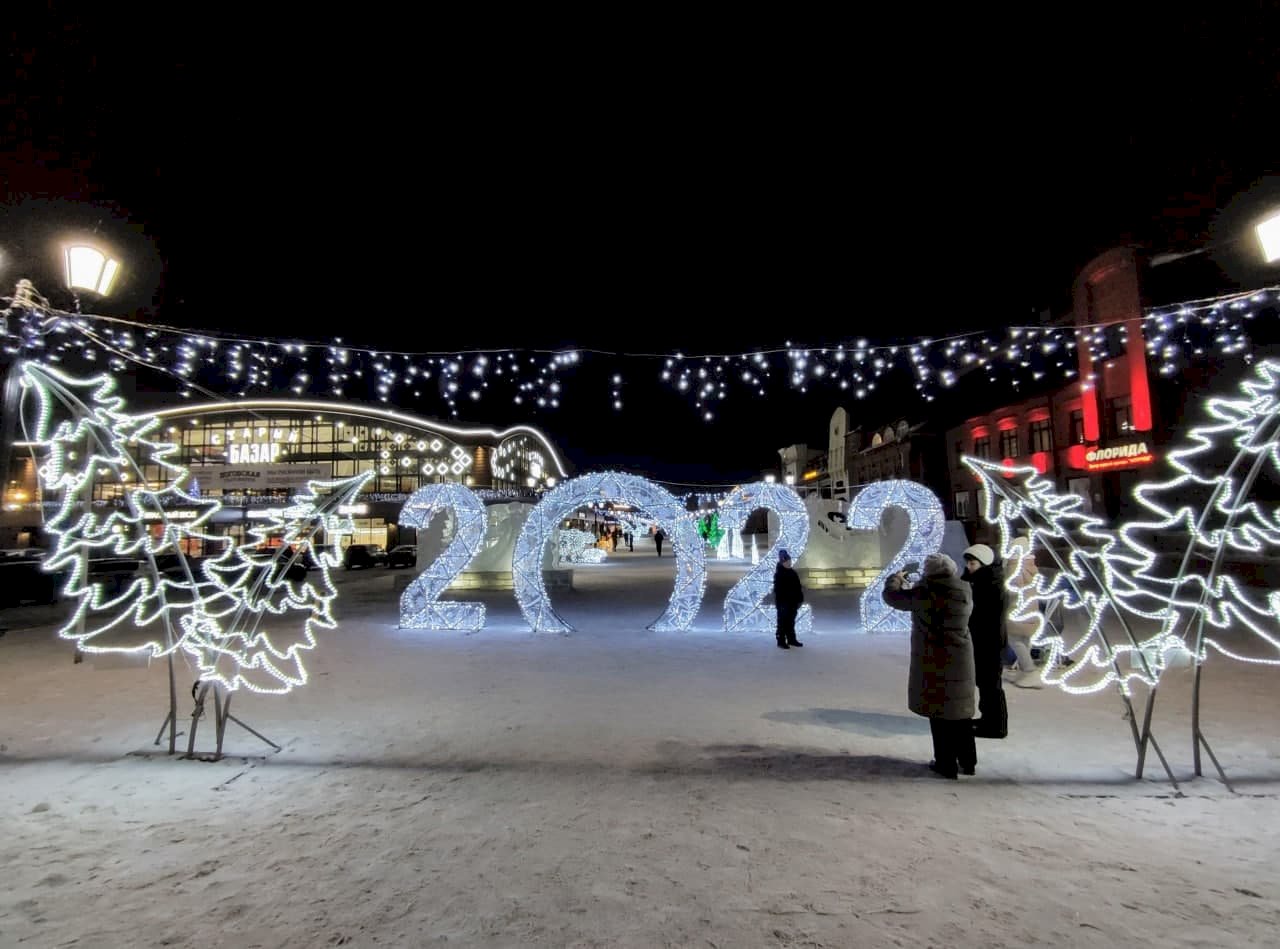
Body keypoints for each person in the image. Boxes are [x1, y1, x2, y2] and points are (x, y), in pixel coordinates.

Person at [883, 553, 977, 779]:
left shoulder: (925, 592)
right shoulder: (963, 590)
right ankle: (968, 761)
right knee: (961, 712)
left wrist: (895, 578)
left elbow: (893, 597)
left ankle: (946, 764)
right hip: (961, 657)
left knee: (940, 713)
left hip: (934, 658)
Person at [961, 543, 1008, 739]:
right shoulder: (981, 581)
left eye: (973, 564)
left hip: (989, 642)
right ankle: (988, 719)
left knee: (990, 685)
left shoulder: (988, 585)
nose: (969, 568)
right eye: (969, 564)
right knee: (986, 683)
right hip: (984, 640)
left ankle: (995, 725)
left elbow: (981, 615)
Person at [1003, 537, 1044, 689]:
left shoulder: (1015, 566)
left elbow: (1010, 586)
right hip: (1031, 609)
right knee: (1024, 639)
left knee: (1015, 639)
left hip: (1018, 610)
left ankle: (1029, 670)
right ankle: (1025, 671)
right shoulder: (1030, 566)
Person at [772, 549, 804, 649]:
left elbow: (798, 587)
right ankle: (781, 641)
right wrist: (785, 600)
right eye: (786, 562)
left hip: (793, 603)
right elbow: (779, 591)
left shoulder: (793, 573)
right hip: (784, 603)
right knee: (782, 622)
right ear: (782, 562)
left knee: (791, 622)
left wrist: (799, 598)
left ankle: (791, 639)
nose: (789, 563)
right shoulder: (779, 574)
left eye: (789, 561)